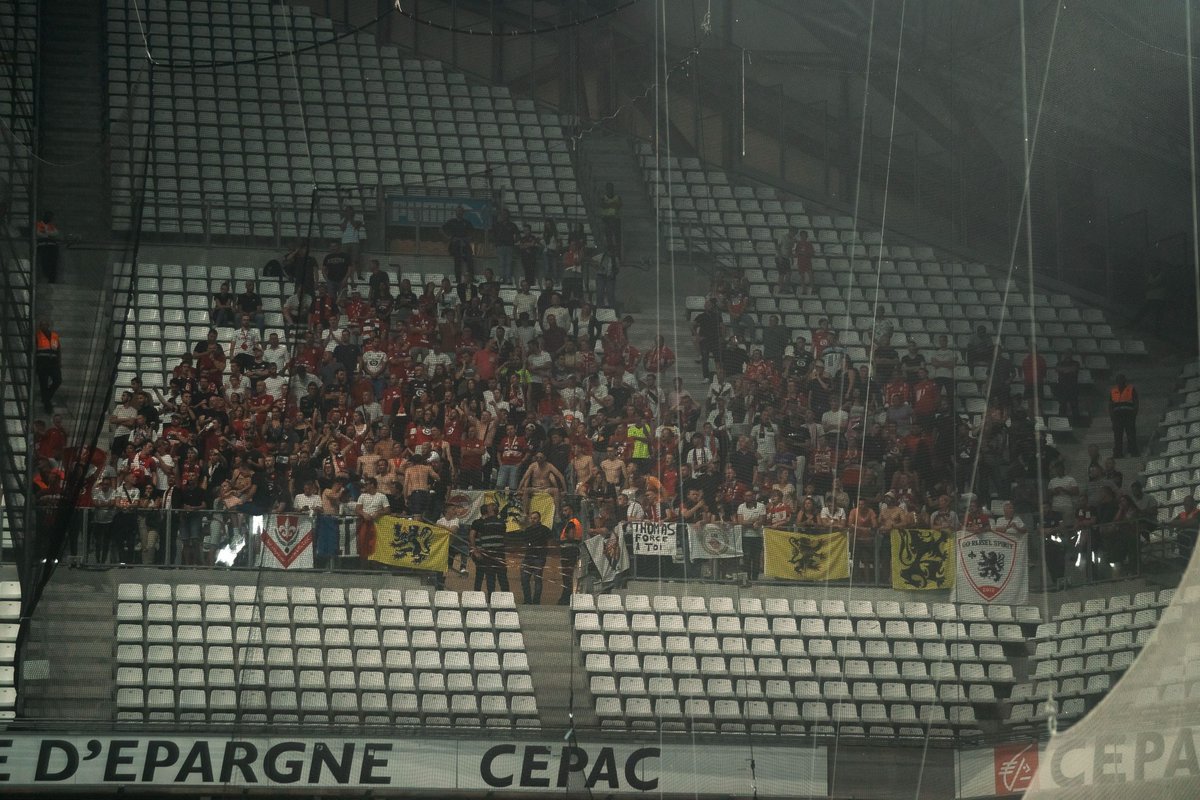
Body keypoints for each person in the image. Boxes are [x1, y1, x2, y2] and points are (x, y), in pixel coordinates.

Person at [470, 501, 509, 597]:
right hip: (499, 554)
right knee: (502, 577)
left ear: (490, 510)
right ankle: (507, 598)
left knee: (490, 578)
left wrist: (476, 550)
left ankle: (491, 599)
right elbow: (503, 536)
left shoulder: (483, 523)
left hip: (487, 555)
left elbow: (477, 536)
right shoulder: (501, 522)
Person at [516, 510, 552, 604]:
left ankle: (536, 601)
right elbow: (524, 543)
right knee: (524, 579)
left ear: (539, 519)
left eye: (535, 518)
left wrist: (544, 554)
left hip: (539, 558)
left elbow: (550, 543)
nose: (533, 520)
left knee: (537, 579)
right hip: (528, 557)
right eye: (531, 518)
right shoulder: (528, 530)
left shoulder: (545, 529)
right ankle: (527, 600)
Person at [557, 502, 583, 604]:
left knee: (567, 576)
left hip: (569, 551)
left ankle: (566, 598)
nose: (564, 513)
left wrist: (566, 536)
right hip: (570, 550)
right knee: (567, 576)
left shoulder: (572, 523)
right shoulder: (574, 522)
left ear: (571, 510)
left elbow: (571, 536)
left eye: (566, 510)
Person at [35, 319, 62, 414]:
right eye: (42, 325)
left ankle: (46, 398)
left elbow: (58, 350)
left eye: (45, 324)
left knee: (58, 380)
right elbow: (34, 351)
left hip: (53, 363)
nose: (44, 326)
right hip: (42, 363)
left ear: (48, 325)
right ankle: (47, 404)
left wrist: (59, 362)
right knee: (43, 384)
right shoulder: (37, 336)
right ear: (40, 326)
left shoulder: (55, 336)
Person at [442, 205, 476, 283]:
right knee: (457, 261)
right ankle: (458, 279)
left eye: (461, 211)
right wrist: (449, 238)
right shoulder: (452, 222)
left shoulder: (466, 222)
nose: (459, 212)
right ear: (456, 212)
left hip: (464, 243)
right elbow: (442, 229)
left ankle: (471, 278)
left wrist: (468, 239)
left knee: (469, 258)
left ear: (463, 212)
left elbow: (473, 232)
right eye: (458, 211)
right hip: (455, 244)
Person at [1109, 373, 1139, 458]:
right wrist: (1112, 417)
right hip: (1117, 417)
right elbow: (1110, 405)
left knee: (1131, 435)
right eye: (1118, 380)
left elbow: (1136, 403)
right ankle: (1118, 453)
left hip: (1129, 416)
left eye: (1122, 380)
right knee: (1117, 436)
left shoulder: (1131, 389)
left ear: (1125, 381)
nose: (1120, 382)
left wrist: (1134, 414)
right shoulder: (1113, 391)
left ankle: (1134, 452)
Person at [692, 299, 722, 380]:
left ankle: (719, 376)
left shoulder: (717, 316)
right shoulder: (701, 316)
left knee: (718, 359)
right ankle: (706, 377)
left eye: (709, 304)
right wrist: (697, 335)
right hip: (704, 340)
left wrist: (722, 337)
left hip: (715, 339)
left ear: (712, 306)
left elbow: (722, 326)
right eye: (706, 304)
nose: (707, 306)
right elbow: (692, 326)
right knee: (705, 358)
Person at [490, 208, 520, 285]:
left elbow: (517, 235)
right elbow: (492, 234)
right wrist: (496, 242)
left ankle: (509, 278)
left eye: (505, 214)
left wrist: (514, 241)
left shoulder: (512, 225)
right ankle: (502, 278)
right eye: (502, 214)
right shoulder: (497, 225)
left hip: (509, 246)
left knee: (508, 263)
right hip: (500, 246)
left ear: (508, 215)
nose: (504, 215)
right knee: (501, 263)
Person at [36, 211, 62, 283]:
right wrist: (49, 234)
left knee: (52, 264)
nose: (50, 218)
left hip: (52, 247)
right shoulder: (38, 224)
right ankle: (44, 278)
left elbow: (56, 234)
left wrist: (46, 233)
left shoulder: (51, 226)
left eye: (51, 217)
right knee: (44, 263)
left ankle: (51, 279)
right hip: (43, 246)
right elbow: (38, 233)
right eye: (48, 216)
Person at [599, 182, 622, 251]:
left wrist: (609, 204)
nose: (609, 190)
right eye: (608, 188)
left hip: (615, 219)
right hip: (606, 219)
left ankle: (618, 249)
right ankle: (611, 250)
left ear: (613, 189)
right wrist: (613, 204)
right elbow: (603, 205)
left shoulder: (617, 197)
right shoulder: (603, 198)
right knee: (609, 237)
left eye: (611, 188)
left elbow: (618, 206)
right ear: (606, 189)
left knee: (617, 236)